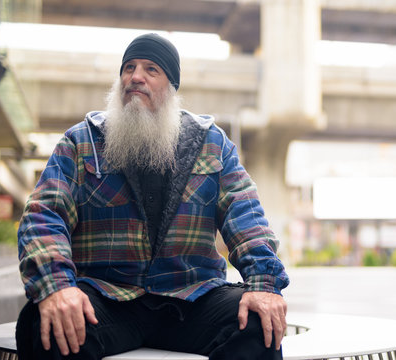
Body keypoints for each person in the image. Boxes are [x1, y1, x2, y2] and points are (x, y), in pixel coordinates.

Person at [15, 33, 289, 360]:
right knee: (48, 326)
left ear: (171, 86)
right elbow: (43, 217)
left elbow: (247, 219)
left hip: (193, 299)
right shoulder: (81, 142)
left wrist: (264, 284)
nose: (135, 77)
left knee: (258, 322)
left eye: (151, 69)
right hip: (107, 298)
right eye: (128, 68)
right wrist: (56, 286)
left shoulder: (212, 144)